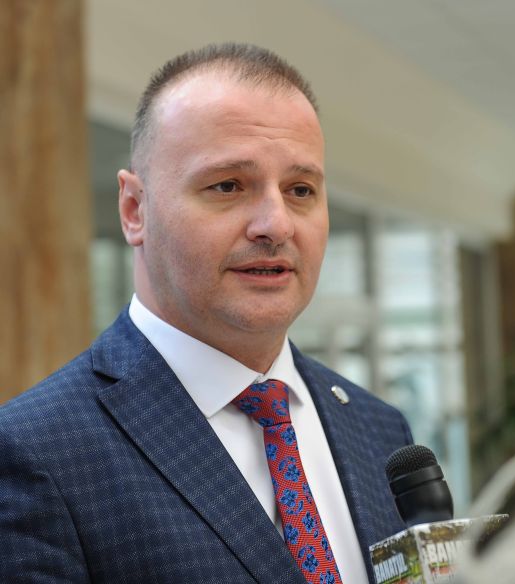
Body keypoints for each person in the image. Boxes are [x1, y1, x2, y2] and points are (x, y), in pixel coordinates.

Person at [0, 43, 413, 583]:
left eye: (300, 189)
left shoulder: (380, 430)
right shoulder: (35, 451)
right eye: (228, 186)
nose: (276, 224)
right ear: (134, 209)